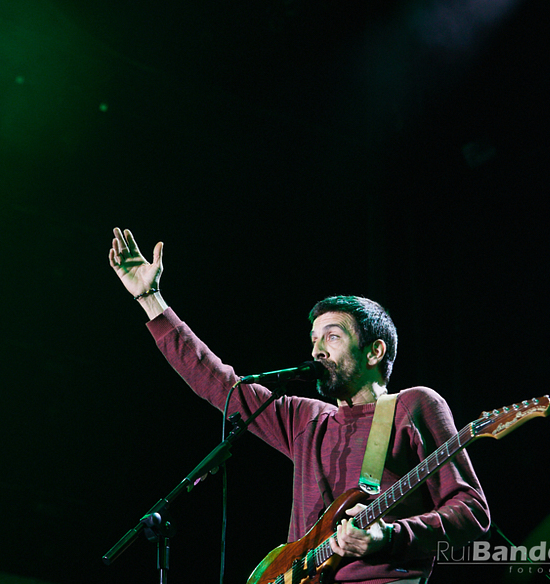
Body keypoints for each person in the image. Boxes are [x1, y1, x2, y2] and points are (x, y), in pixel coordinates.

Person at [108, 227, 489, 583]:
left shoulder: (414, 405)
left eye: (332, 336)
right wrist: (150, 300)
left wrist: (389, 536)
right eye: (313, 339)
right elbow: (218, 382)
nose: (316, 349)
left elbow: (472, 511)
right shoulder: (305, 418)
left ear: (374, 351)